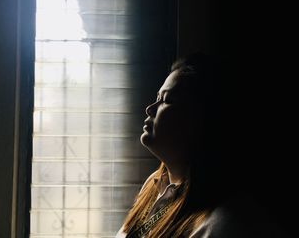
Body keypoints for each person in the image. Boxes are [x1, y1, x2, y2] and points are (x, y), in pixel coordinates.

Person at [115, 53, 281, 237]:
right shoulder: (156, 187)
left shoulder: (223, 225)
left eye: (166, 100)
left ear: (201, 120)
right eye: (157, 97)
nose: (150, 108)